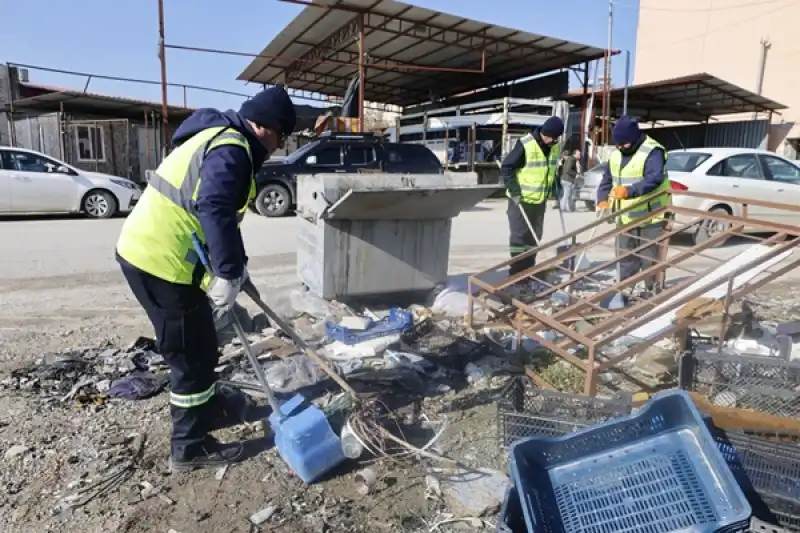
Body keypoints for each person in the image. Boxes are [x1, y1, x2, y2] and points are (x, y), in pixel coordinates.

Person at [115, 87, 296, 471]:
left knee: (204, 343)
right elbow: (213, 205)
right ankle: (189, 448)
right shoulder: (232, 149)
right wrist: (227, 272)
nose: (281, 147)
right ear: (267, 128)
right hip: (159, 263)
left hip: (154, 255)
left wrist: (235, 263)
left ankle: (209, 409)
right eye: (283, 137)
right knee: (190, 357)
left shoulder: (220, 136)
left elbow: (222, 215)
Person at [596, 116, 671, 297]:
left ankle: (652, 292)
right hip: (625, 215)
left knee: (649, 257)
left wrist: (629, 191)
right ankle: (624, 290)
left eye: (624, 144)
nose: (620, 147)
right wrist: (602, 199)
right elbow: (607, 180)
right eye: (618, 144)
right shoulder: (615, 155)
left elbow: (654, 179)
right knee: (624, 255)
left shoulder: (653, 151)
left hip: (651, 214)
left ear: (635, 137)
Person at [500, 116, 564, 280]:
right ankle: (516, 273)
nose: (552, 141)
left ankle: (529, 270)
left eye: (555, 138)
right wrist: (514, 189)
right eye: (550, 137)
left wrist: (556, 185)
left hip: (539, 201)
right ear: (545, 133)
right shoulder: (526, 144)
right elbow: (507, 167)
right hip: (520, 201)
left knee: (534, 237)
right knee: (519, 238)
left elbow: (550, 171)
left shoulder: (554, 148)